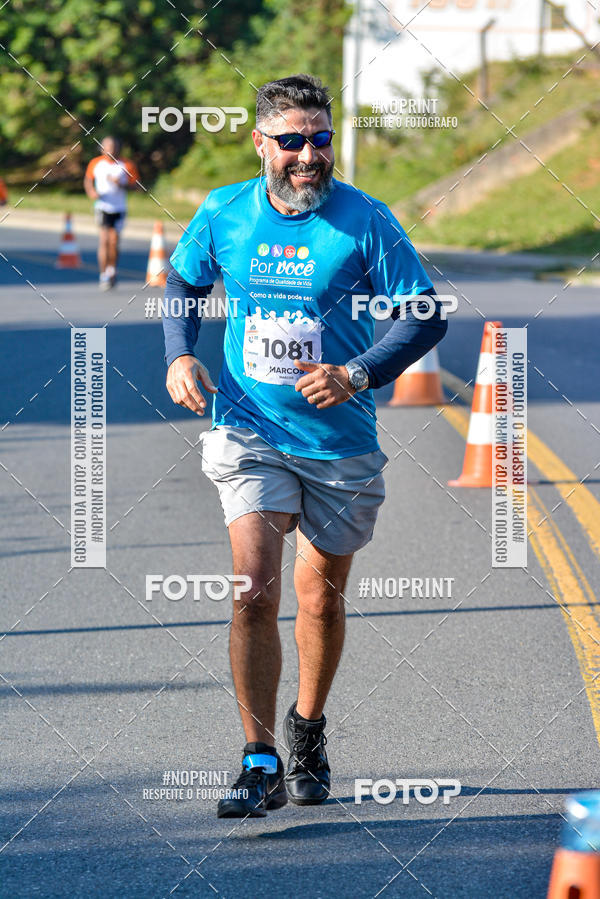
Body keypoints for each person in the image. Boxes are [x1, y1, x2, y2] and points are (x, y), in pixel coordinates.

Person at [161, 74, 447, 819]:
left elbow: (425, 316)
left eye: (320, 139)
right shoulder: (225, 211)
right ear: (260, 143)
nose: (308, 155)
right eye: (291, 140)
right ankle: (259, 757)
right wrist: (179, 354)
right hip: (249, 430)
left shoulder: (365, 222)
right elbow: (184, 282)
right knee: (254, 587)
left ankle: (308, 728)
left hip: (339, 442)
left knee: (319, 597)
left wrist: (356, 373)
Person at [83, 137, 139, 290]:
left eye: (114, 147)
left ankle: (111, 269)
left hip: (119, 208)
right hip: (102, 207)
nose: (111, 150)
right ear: (102, 148)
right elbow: (88, 180)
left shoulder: (126, 164)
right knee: (104, 240)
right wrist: (92, 192)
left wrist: (121, 184)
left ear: (118, 148)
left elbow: (136, 186)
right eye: (107, 147)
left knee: (114, 241)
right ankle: (103, 274)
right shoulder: (96, 163)